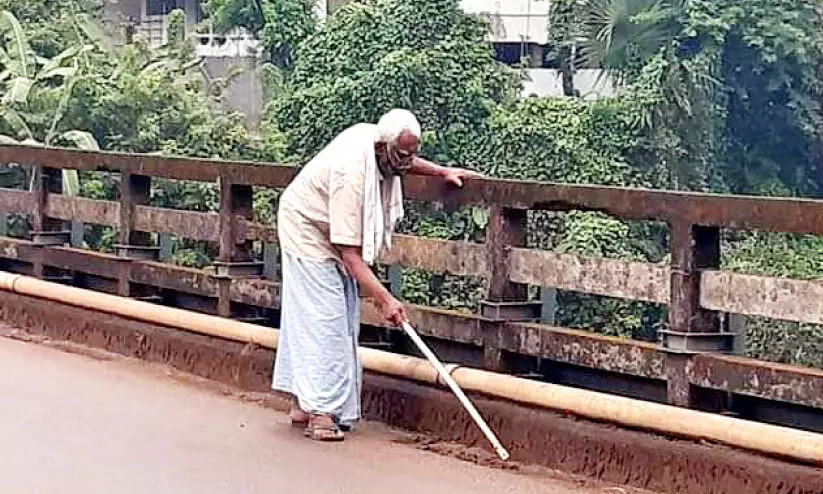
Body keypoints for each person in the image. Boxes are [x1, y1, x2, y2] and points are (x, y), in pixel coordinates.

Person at [272, 109, 482, 442]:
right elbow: (350, 255)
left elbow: (403, 160)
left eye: (413, 153)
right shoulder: (352, 174)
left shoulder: (383, 145)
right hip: (307, 229)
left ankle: (304, 403)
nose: (407, 163)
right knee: (325, 318)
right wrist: (386, 300)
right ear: (382, 148)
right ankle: (321, 413)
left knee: (341, 316)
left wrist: (441, 171)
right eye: (402, 154)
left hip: (328, 228)